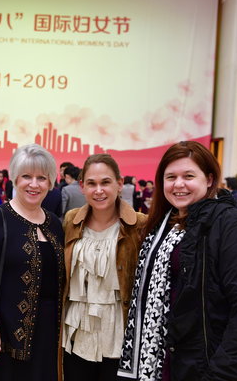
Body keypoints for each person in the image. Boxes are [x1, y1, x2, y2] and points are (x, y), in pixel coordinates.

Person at [118, 141, 237, 381]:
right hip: (168, 362)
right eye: (171, 177)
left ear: (209, 179)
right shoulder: (162, 226)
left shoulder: (230, 225)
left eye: (188, 176)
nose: (178, 184)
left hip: (207, 366)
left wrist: (220, 373)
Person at [0, 144, 65, 381]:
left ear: (50, 182)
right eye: (26, 176)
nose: (34, 184)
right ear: (14, 179)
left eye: (42, 178)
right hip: (2, 336)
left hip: (48, 336)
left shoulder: (54, 224)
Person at [60, 154, 146, 381]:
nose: (99, 190)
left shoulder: (139, 224)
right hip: (77, 333)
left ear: (119, 184)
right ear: (82, 187)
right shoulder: (71, 221)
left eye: (105, 182)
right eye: (91, 183)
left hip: (119, 332)